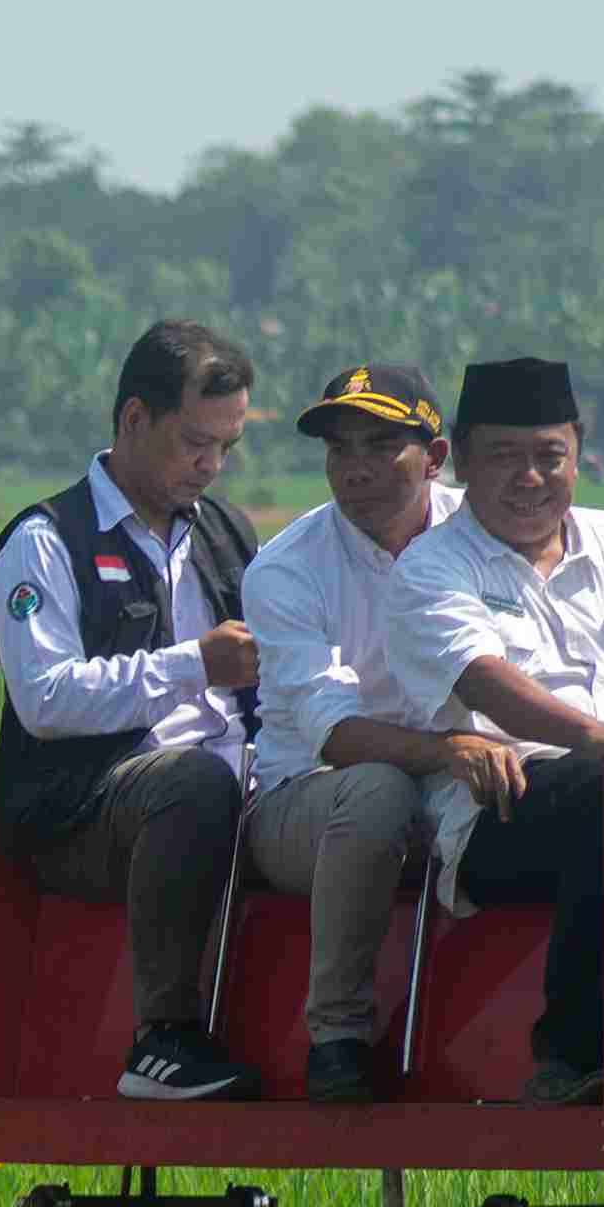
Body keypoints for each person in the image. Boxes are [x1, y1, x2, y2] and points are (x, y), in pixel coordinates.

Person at [0, 321, 266, 1100]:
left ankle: (340, 1044)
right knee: (193, 781)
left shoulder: (226, 533)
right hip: (83, 808)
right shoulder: (44, 541)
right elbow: (45, 699)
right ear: (134, 418)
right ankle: (161, 1041)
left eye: (226, 447)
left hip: (232, 781)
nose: (210, 465)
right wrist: (193, 664)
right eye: (194, 443)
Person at [384, 356, 604, 1107]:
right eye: (503, 457)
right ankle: (570, 1054)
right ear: (460, 461)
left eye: (549, 455)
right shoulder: (430, 569)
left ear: (579, 451)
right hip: (498, 806)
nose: (529, 478)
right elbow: (488, 686)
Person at [236, 365, 482, 1104]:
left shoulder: (482, 533)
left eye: (380, 446)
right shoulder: (287, 568)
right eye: (339, 449)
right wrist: (450, 753)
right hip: (307, 797)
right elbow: (334, 735)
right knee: (376, 791)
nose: (355, 468)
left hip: (449, 776)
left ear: (434, 458)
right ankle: (337, 1038)